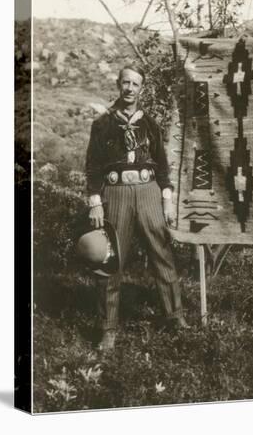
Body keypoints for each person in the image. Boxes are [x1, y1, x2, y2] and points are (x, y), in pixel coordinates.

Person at [85, 65, 188, 351]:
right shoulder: (103, 124)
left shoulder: (151, 124)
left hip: (148, 193)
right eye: (125, 83)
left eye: (135, 84)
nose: (130, 88)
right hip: (115, 194)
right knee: (109, 260)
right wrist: (95, 203)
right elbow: (92, 167)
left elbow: (163, 168)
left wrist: (167, 200)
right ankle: (108, 329)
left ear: (142, 89)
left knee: (162, 253)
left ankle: (174, 316)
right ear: (118, 85)